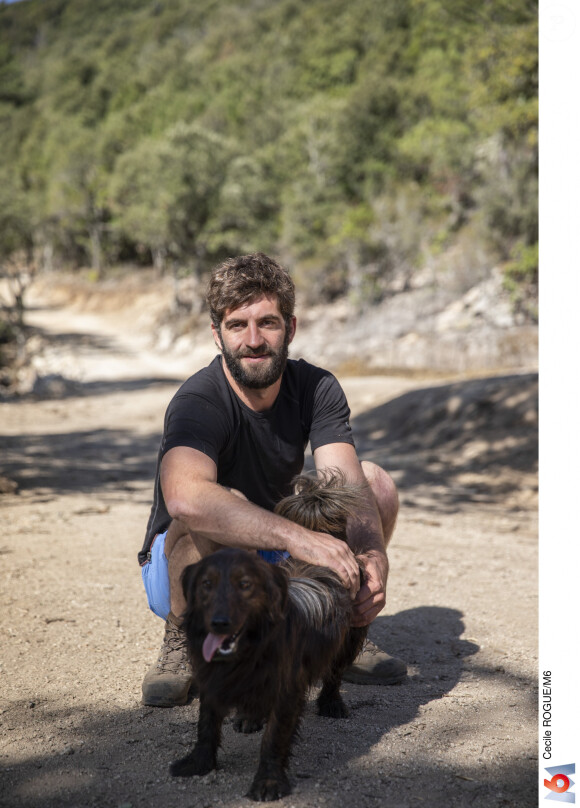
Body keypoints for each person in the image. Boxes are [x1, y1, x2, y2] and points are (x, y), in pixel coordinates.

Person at [139, 252, 406, 706]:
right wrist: (300, 539)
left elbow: (347, 483)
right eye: (237, 325)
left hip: (275, 556)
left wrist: (372, 555)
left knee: (374, 481)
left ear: (292, 328)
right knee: (204, 508)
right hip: (186, 567)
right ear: (216, 334)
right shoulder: (198, 400)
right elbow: (184, 498)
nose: (254, 340)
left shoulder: (316, 387)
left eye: (268, 322)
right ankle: (183, 639)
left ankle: (350, 628)